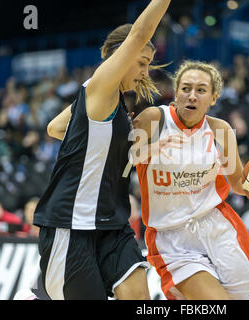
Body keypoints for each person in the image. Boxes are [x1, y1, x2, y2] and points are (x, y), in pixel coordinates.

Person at [32, 0, 171, 300]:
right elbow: (139, 34)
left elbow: (55, 128)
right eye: (141, 62)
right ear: (119, 57)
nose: (146, 72)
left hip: (112, 224)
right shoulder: (100, 90)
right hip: (72, 224)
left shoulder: (111, 102)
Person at [130, 60, 249, 300]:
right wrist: (150, 150)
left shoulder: (221, 130)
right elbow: (121, 159)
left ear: (213, 98)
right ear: (176, 92)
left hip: (218, 228)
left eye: (201, 90)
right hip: (172, 238)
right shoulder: (153, 119)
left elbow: (237, 184)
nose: (192, 96)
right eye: (185, 88)